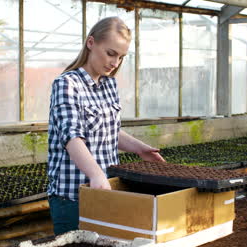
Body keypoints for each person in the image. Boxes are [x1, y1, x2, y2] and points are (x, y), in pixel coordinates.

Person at [47, 16, 165, 236]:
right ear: (91, 43)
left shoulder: (109, 84)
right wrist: (96, 174)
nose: (115, 63)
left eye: (121, 57)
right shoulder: (66, 84)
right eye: (111, 53)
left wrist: (140, 148)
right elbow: (73, 138)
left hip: (106, 190)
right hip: (74, 197)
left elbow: (109, 130)